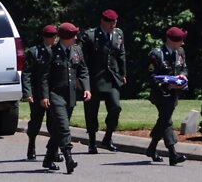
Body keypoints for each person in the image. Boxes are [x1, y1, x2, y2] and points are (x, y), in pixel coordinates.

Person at [41, 22, 91, 174]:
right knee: (64, 127)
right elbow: (44, 77)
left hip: (70, 95)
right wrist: (44, 96)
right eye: (73, 35)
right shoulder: (51, 52)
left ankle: (48, 159)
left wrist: (87, 88)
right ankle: (69, 158)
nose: (76, 38)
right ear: (65, 37)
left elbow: (83, 70)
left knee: (58, 130)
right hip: (55, 95)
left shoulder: (77, 50)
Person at [79, 9, 126, 154]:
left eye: (115, 22)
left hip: (112, 78)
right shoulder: (90, 35)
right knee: (92, 112)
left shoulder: (118, 34)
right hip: (94, 79)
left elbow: (121, 53)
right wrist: (82, 79)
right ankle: (92, 142)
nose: (113, 24)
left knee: (116, 107)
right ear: (103, 21)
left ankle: (108, 137)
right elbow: (83, 59)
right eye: (110, 22)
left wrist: (123, 73)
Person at [146, 26, 188, 166]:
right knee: (167, 121)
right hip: (160, 94)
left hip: (174, 94)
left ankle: (151, 149)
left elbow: (184, 68)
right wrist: (168, 85)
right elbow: (151, 77)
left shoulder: (180, 52)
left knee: (163, 120)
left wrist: (183, 76)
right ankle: (172, 153)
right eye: (180, 40)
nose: (182, 43)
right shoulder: (156, 54)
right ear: (171, 40)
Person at [22, 25, 63, 165]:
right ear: (45, 37)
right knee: (35, 122)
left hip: (54, 93)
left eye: (56, 36)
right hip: (37, 93)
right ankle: (31, 145)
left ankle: (54, 151)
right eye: (52, 36)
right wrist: (27, 93)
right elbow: (27, 73)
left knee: (54, 124)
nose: (55, 39)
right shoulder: (34, 52)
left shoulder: (59, 51)